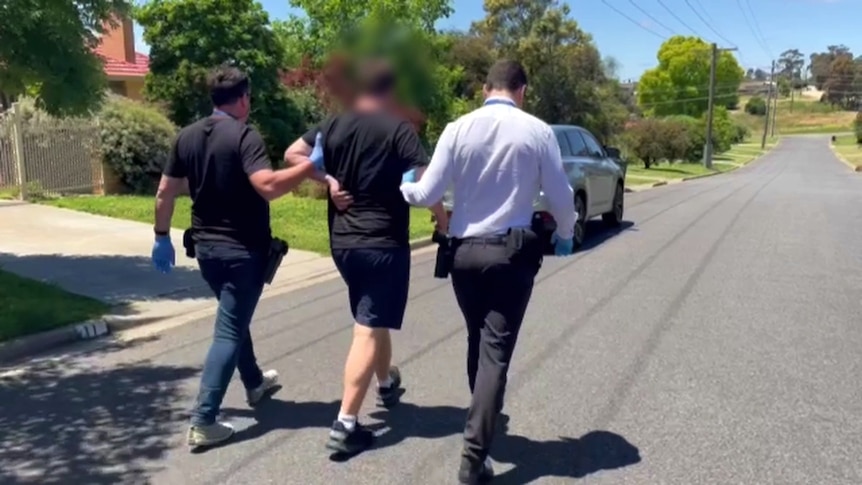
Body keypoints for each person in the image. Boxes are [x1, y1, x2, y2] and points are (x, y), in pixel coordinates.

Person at [399, 59, 577, 483]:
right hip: (509, 255)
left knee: (477, 338)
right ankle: (473, 458)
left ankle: (483, 415)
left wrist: (404, 183)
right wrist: (566, 234)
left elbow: (425, 193)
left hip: (463, 254)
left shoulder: (456, 129)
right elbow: (561, 196)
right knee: (495, 350)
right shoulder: (538, 131)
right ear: (523, 90)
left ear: (484, 89)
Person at [151, 65, 327, 448]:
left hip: (207, 253)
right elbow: (266, 186)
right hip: (241, 253)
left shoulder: (187, 135)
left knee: (234, 316)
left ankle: (254, 383)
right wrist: (309, 167)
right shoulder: (244, 135)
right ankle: (204, 420)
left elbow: (165, 192)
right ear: (244, 98)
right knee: (229, 328)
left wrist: (161, 236)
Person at [284, 59, 448, 455]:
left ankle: (387, 383)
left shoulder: (334, 124)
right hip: (382, 244)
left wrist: (327, 180)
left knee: (372, 319)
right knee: (367, 327)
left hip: (343, 244)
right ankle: (346, 423)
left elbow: (292, 155)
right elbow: (426, 182)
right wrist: (442, 220)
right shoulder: (397, 129)